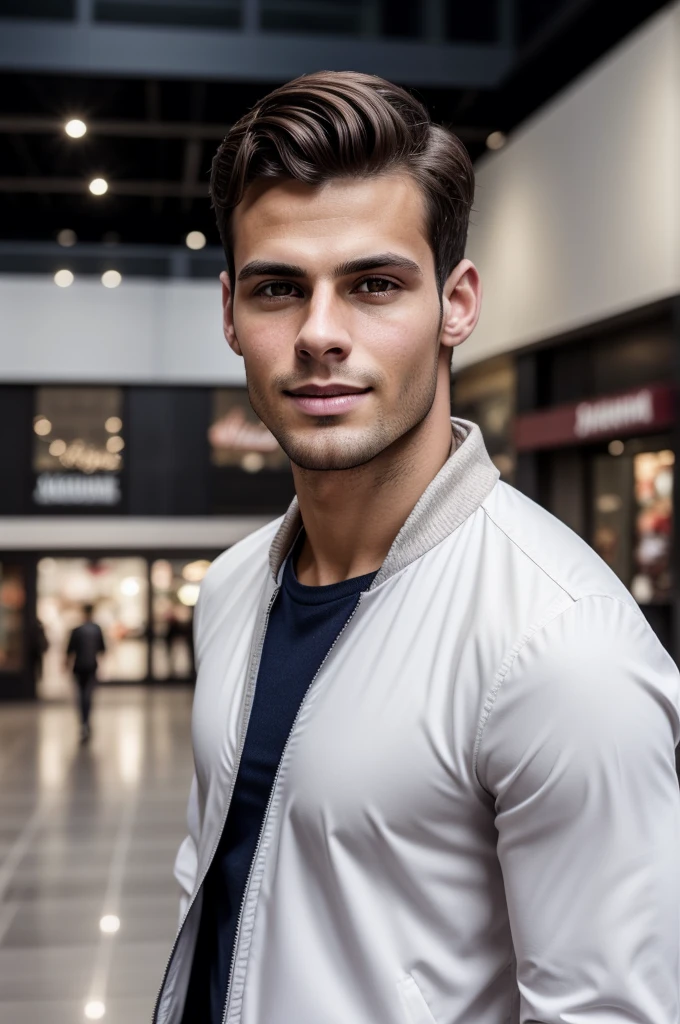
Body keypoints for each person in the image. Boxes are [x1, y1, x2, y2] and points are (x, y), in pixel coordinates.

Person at [154, 72, 680, 1024]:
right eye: (279, 288)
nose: (320, 335)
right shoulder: (234, 590)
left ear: (457, 303)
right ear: (230, 311)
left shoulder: (563, 649)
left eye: (374, 285)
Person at [65, 603, 105, 743]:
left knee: (81, 694)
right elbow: (102, 649)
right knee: (88, 694)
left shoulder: (77, 630)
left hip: (79, 666)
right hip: (91, 666)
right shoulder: (97, 630)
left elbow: (69, 650)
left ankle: (83, 722)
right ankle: (86, 721)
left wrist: (65, 664)